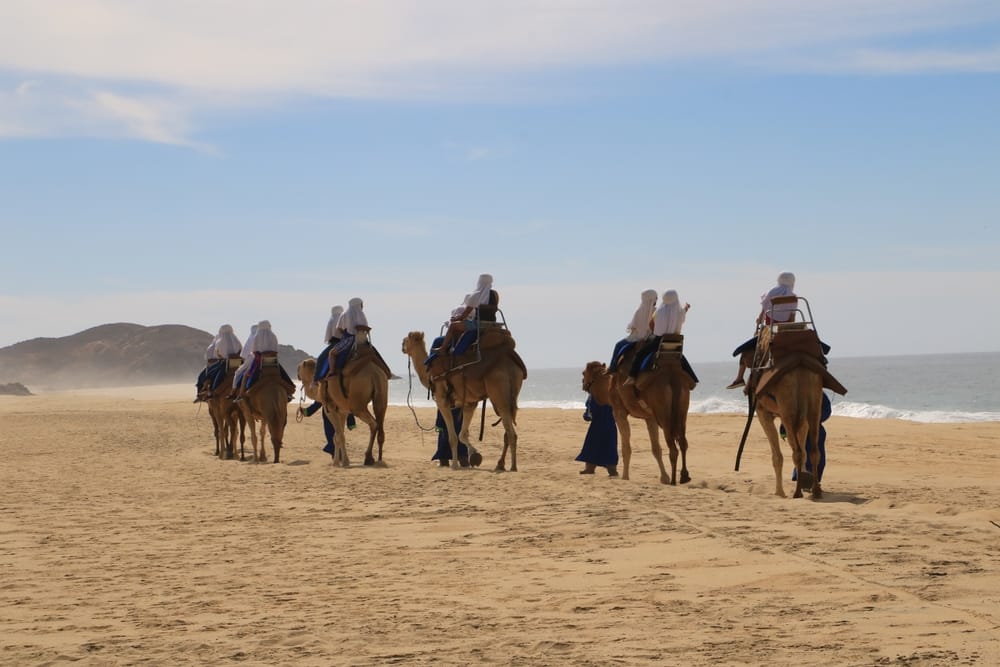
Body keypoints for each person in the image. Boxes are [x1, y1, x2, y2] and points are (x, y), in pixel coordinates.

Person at [727, 272, 796, 389]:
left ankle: (739, 378)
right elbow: (792, 319)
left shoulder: (772, 292)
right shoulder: (793, 296)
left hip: (770, 331)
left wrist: (759, 321)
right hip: (786, 332)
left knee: (745, 351)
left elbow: (763, 312)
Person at [626, 289, 697, 384]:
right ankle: (693, 378)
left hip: (660, 342)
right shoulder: (679, 312)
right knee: (681, 358)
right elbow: (682, 317)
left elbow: (654, 328)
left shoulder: (659, 312)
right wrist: (685, 308)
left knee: (640, 354)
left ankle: (632, 376)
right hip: (675, 343)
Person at [436, 274, 500, 357]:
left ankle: (443, 348)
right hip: (492, 323)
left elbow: (464, 315)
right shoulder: (495, 294)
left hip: (478, 324)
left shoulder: (476, 295)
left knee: (452, 326)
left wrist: (455, 319)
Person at [783, 391, 832, 484]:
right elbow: (785, 412)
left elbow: (827, 410)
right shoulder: (793, 393)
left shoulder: (819, 393)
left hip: (816, 430)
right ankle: (800, 478)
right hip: (798, 429)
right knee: (802, 453)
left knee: (819, 459)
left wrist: (812, 419)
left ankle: (813, 480)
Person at [609, 289, 657, 371]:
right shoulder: (656, 311)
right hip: (651, 338)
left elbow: (633, 326)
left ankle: (612, 367)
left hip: (636, 338)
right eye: (656, 298)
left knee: (618, 345)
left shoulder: (639, 311)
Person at [575, 389, 618, 477]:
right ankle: (611, 470)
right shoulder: (614, 392)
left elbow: (589, 413)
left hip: (597, 424)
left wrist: (586, 415)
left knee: (592, 445)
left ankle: (590, 468)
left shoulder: (595, 394)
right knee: (610, 446)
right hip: (610, 424)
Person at [330, 298, 369, 373]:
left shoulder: (344, 314)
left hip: (349, 339)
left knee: (331, 353)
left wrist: (345, 333)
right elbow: (366, 327)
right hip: (362, 340)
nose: (362, 306)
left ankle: (332, 372)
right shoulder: (361, 314)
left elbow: (339, 328)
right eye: (361, 305)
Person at [313, 305, 344, 382]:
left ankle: (316, 380)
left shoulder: (332, 319)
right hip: (348, 341)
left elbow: (331, 335)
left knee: (321, 359)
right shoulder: (344, 318)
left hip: (336, 343)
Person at [230, 323, 258, 398]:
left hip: (253, 359)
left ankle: (234, 390)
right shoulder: (271, 337)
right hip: (270, 361)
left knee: (238, 373)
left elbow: (244, 354)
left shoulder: (251, 338)